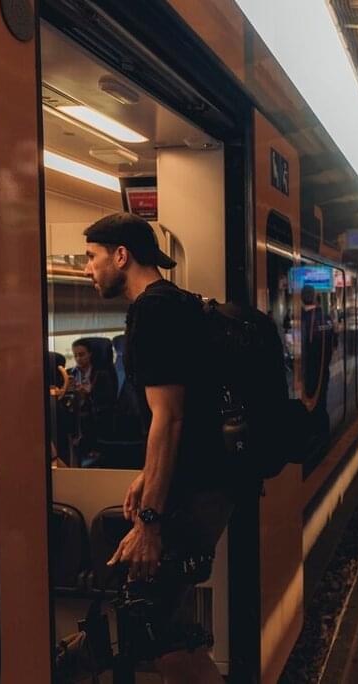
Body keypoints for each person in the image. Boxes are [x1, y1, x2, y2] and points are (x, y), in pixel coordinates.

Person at [82, 212, 232, 684]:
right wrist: (148, 475)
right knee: (167, 629)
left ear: (121, 256)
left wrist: (149, 522)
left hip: (192, 492)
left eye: (91, 257)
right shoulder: (180, 302)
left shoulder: (152, 310)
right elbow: (192, 409)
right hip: (205, 483)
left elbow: (170, 418)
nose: (87, 269)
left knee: (160, 634)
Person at [300, 284, 335, 424]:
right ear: (315, 298)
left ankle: (314, 430)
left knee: (309, 405)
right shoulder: (327, 319)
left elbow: (299, 348)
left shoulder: (304, 320)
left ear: (302, 299)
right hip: (324, 369)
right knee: (321, 401)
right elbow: (333, 342)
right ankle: (323, 428)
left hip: (309, 372)